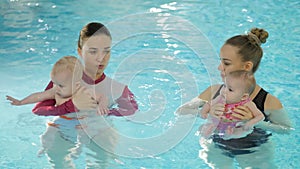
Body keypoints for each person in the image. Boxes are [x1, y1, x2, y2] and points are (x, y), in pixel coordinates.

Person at [23, 22, 138, 168]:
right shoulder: (65, 80)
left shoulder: (117, 89)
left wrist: (107, 112)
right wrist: (70, 106)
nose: (101, 58)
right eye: (93, 51)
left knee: (101, 158)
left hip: (97, 132)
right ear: (80, 51)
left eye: (106, 51)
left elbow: (132, 110)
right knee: (57, 158)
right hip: (62, 130)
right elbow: (38, 109)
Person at [178, 28, 293, 169]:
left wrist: (253, 122)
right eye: (221, 61)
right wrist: (208, 113)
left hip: (254, 148)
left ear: (246, 67)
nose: (219, 67)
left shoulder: (267, 101)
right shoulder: (214, 92)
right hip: (217, 144)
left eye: (226, 63)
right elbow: (181, 111)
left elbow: (286, 129)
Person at [199, 70, 264, 140]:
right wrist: (204, 112)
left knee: (243, 131)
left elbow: (260, 116)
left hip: (236, 126)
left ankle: (230, 134)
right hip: (219, 123)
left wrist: (250, 123)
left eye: (230, 89)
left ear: (244, 97)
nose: (224, 90)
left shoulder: (247, 103)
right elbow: (209, 104)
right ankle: (209, 132)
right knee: (202, 128)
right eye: (224, 86)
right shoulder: (220, 98)